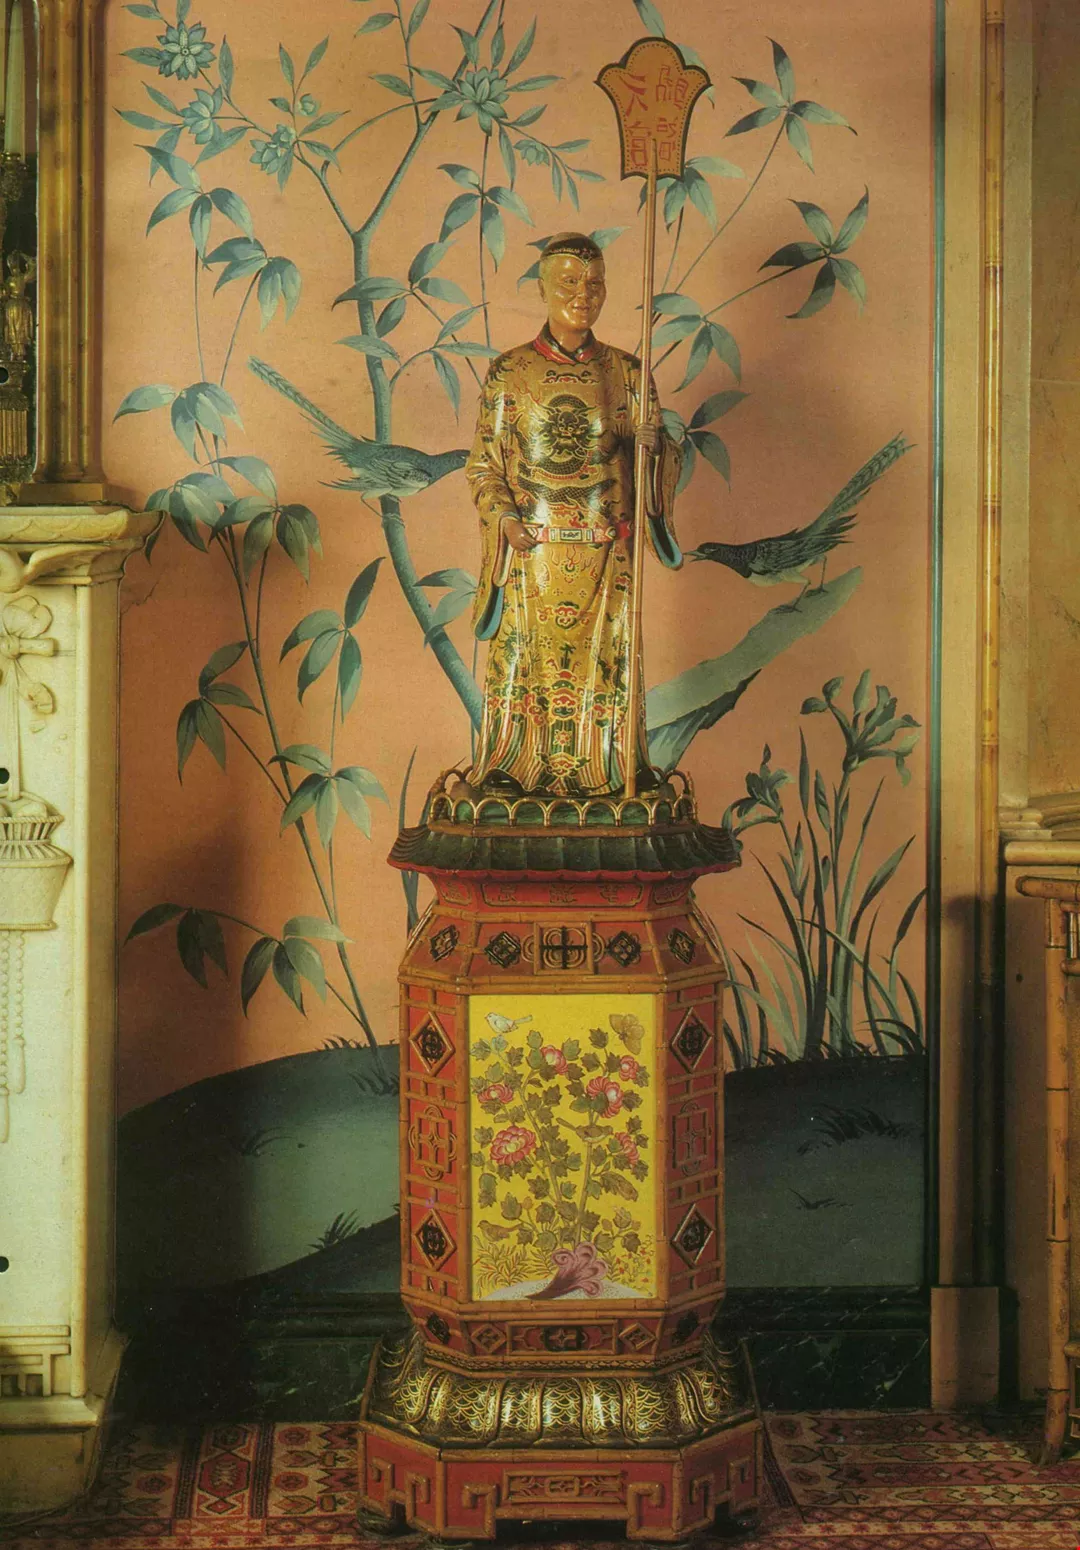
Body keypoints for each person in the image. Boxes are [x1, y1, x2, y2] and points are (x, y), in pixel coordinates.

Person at [465, 231, 682, 798]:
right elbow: (484, 467)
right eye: (568, 283)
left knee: (608, 666)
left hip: (606, 554)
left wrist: (653, 449)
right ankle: (515, 768)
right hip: (533, 554)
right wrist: (506, 522)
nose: (582, 295)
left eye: (594, 284)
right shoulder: (510, 373)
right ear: (542, 288)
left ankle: (610, 768)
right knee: (525, 665)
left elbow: (654, 467)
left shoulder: (629, 374)